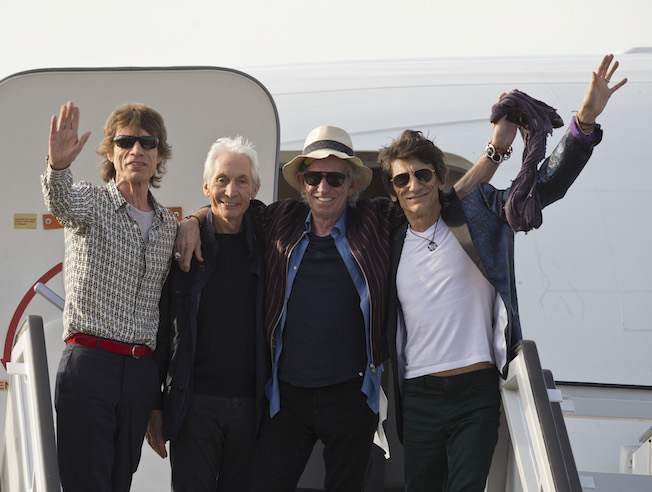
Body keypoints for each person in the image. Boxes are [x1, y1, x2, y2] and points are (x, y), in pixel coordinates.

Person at [176, 117, 517, 490]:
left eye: (335, 178)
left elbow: (444, 198)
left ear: (352, 184)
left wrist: (495, 152)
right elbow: (229, 206)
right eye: (314, 178)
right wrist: (193, 219)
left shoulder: (375, 219)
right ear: (302, 184)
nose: (323, 187)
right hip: (287, 398)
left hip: (351, 395)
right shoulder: (279, 220)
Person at [381, 54, 627, 492]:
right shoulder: (390, 240)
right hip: (417, 395)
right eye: (402, 180)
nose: (413, 185)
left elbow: (544, 186)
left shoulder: (476, 215)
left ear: (439, 179)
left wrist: (584, 124)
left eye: (422, 175)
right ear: (394, 190)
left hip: (474, 391)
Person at [41, 101, 178, 492]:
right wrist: (58, 167)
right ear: (112, 152)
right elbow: (61, 201)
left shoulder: (170, 225)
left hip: (139, 374)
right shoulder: (91, 202)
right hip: (89, 366)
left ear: (158, 155)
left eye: (147, 142)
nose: (137, 150)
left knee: (119, 484)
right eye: (126, 141)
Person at [145, 136, 269, 492]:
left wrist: (193, 218)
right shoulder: (182, 247)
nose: (231, 191)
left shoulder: (270, 245)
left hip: (252, 407)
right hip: (194, 405)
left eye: (242, 181)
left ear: (255, 188)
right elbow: (161, 330)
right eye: (222, 180)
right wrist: (155, 404)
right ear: (206, 186)